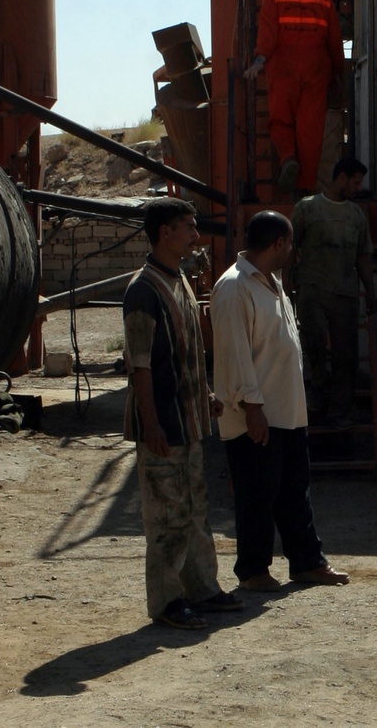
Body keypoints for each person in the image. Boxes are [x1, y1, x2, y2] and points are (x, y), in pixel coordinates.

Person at [209, 209, 349, 591]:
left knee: (293, 492)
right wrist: (253, 409)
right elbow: (236, 355)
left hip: (286, 411)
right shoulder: (234, 287)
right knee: (257, 495)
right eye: (289, 244)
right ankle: (253, 572)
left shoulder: (270, 281)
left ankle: (307, 562)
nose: (292, 251)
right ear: (279, 244)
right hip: (255, 416)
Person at [122, 197, 242, 629]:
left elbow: (185, 354)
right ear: (164, 233)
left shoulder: (180, 281)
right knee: (167, 516)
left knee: (194, 509)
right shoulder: (143, 290)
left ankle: (203, 590)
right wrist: (151, 423)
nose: (195, 235)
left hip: (189, 423)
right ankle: (168, 602)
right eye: (187, 227)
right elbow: (139, 365)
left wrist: (206, 394)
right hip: (164, 428)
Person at [243, 0, 344, 196]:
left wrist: (259, 61)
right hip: (316, 68)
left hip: (282, 68)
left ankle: (288, 157)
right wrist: (338, 73)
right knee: (311, 130)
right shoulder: (324, 1)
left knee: (281, 120)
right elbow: (335, 42)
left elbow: (268, 36)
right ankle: (305, 188)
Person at [288, 156, 375, 428]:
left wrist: (370, 291)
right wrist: (286, 285)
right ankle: (316, 391)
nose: (359, 188)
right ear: (341, 179)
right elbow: (290, 249)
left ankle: (340, 411)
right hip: (312, 288)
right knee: (312, 342)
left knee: (345, 354)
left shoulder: (356, 215)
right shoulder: (307, 209)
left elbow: (362, 256)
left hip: (345, 294)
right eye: (356, 182)